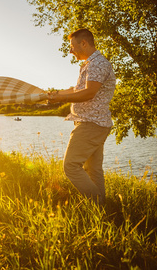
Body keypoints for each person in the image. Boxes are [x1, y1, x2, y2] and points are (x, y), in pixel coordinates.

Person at [48, 28, 116, 205]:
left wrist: (61, 98)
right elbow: (76, 90)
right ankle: (102, 209)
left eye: (72, 46)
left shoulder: (97, 64)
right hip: (95, 124)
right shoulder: (90, 64)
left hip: (90, 124)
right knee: (93, 168)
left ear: (84, 43)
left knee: (70, 166)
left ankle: (97, 203)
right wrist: (54, 94)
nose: (70, 51)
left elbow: (88, 93)